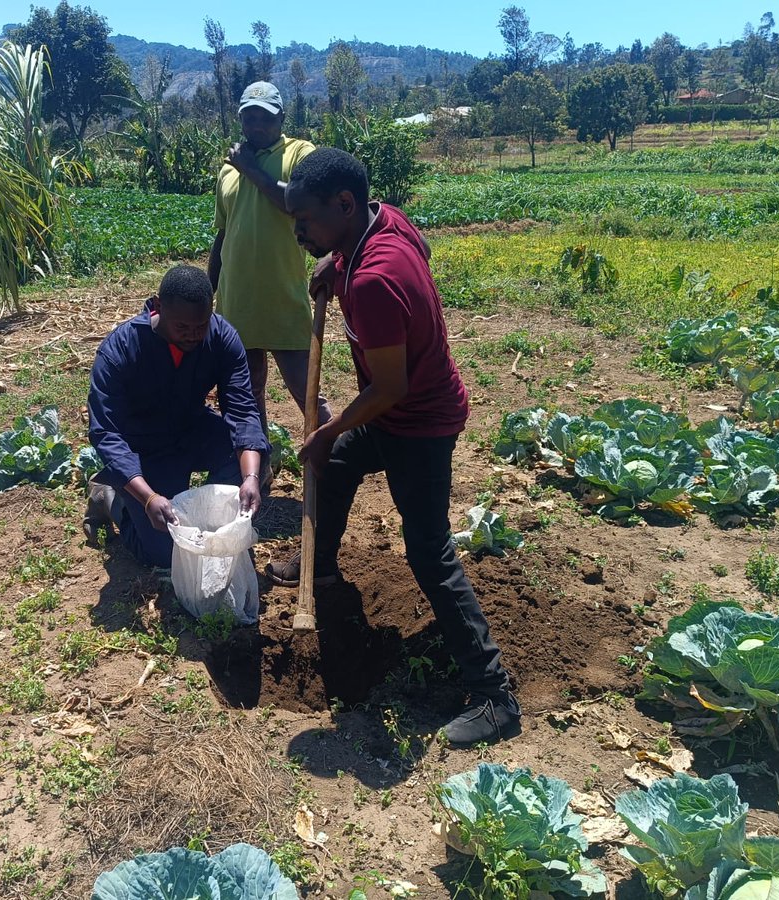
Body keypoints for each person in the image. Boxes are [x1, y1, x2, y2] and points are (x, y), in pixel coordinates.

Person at [267, 148, 522, 748]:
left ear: (345, 204)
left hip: (419, 422)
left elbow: (391, 386)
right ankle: (319, 569)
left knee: (428, 552)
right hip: (395, 411)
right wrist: (337, 261)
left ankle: (495, 697)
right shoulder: (385, 222)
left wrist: (327, 430)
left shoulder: (376, 281)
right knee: (335, 468)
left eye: (305, 219)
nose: (298, 231)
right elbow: (415, 251)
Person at [86, 264, 270, 568]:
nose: (193, 336)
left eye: (201, 326)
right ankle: (111, 499)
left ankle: (210, 518)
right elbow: (106, 432)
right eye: (182, 328)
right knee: (166, 554)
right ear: (158, 307)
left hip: (191, 429)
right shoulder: (120, 350)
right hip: (144, 451)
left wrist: (251, 478)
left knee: (249, 457)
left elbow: (242, 410)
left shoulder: (222, 338)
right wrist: (147, 498)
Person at [208, 81, 332, 458]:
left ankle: (335, 460)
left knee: (305, 390)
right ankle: (257, 469)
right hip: (237, 299)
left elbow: (296, 201)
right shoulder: (228, 171)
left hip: (283, 297)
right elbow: (223, 236)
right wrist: (206, 291)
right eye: (250, 117)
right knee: (247, 395)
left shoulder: (299, 154)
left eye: (265, 118)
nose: (257, 125)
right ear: (241, 119)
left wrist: (250, 169)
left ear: (281, 118)